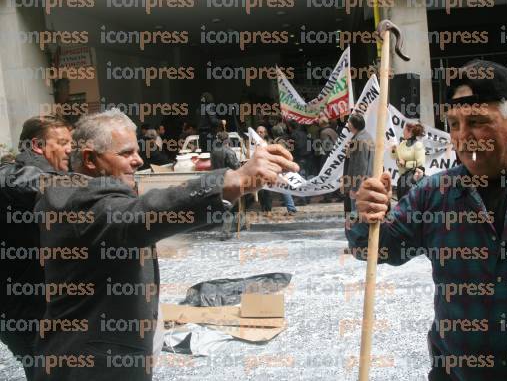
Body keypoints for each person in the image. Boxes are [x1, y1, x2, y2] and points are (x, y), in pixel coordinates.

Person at [348, 60, 507, 380]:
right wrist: (366, 216)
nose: (464, 137)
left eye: (477, 121)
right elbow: (373, 249)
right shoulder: (434, 194)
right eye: (453, 124)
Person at [31, 109, 298, 380]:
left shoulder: (79, 195)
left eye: (136, 151)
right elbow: (146, 213)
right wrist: (232, 181)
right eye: (125, 153)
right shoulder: (80, 205)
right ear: (89, 159)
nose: (138, 161)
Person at [0, 115, 72, 380]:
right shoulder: (12, 176)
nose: (69, 148)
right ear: (38, 145)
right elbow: (21, 182)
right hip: (26, 312)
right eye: (62, 142)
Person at [343, 113, 373, 225]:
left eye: (349, 123)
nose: (348, 125)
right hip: (365, 182)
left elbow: (361, 165)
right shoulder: (365, 136)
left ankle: (357, 238)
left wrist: (355, 188)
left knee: (356, 216)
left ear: (353, 125)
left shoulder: (360, 140)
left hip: (360, 184)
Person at [392, 122, 426, 199]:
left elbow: (420, 164)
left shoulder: (418, 145)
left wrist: (406, 163)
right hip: (402, 178)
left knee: (410, 202)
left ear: (410, 132)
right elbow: (396, 157)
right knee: (401, 201)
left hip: (413, 179)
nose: (403, 132)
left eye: (404, 130)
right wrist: (393, 150)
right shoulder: (402, 144)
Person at [256, 125, 273, 217]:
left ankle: (269, 209)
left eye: (261, 132)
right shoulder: (252, 142)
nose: (259, 133)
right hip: (257, 169)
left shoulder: (269, 142)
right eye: (258, 132)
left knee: (268, 190)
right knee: (260, 190)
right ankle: (263, 207)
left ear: (265, 133)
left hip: (268, 169)